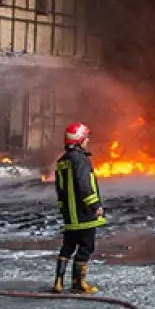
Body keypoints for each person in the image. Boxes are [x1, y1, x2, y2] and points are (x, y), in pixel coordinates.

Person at [52, 121, 106, 294]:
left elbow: (60, 189)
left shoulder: (62, 161)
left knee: (68, 247)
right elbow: (84, 185)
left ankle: (58, 282)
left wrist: (64, 209)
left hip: (69, 215)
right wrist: (95, 205)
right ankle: (78, 283)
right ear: (79, 139)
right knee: (86, 247)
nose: (87, 140)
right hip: (84, 215)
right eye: (86, 137)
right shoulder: (80, 159)